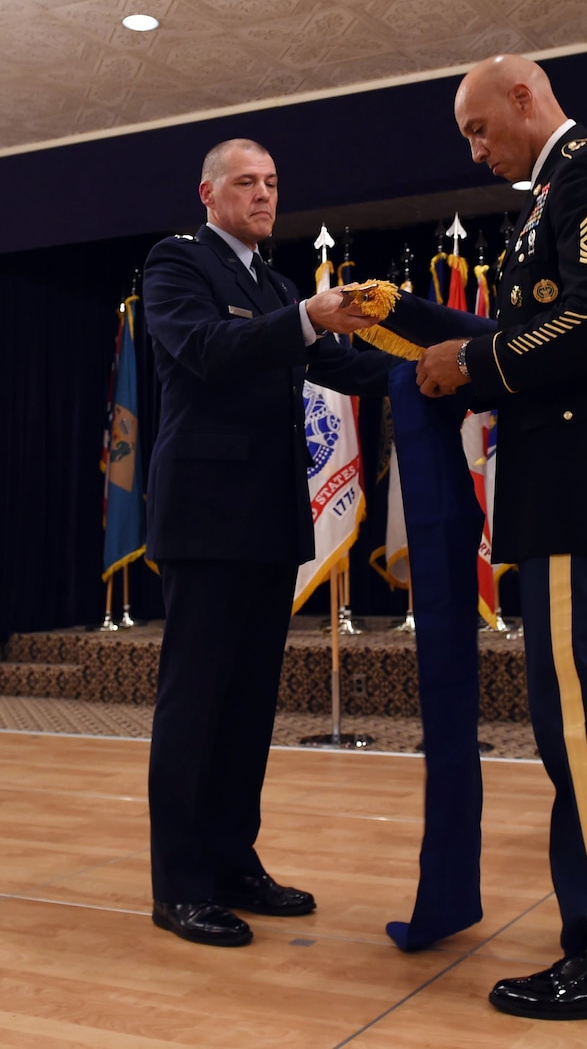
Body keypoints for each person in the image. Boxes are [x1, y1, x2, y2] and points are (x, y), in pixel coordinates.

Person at [330, 56, 587, 1021]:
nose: (475, 150)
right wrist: (411, 318)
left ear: (521, 98)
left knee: (582, 728)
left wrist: (468, 363)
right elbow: (529, 326)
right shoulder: (560, 193)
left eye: (476, 129)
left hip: (582, 496)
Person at [143, 138, 393, 947]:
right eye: (246, 183)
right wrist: (307, 320)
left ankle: (232, 861)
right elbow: (208, 351)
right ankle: (180, 885)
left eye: (273, 183)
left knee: (248, 707)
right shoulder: (175, 264)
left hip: (268, 522)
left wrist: (435, 360)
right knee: (196, 707)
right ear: (209, 194)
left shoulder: (279, 284)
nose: (263, 195)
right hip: (207, 520)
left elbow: (341, 369)